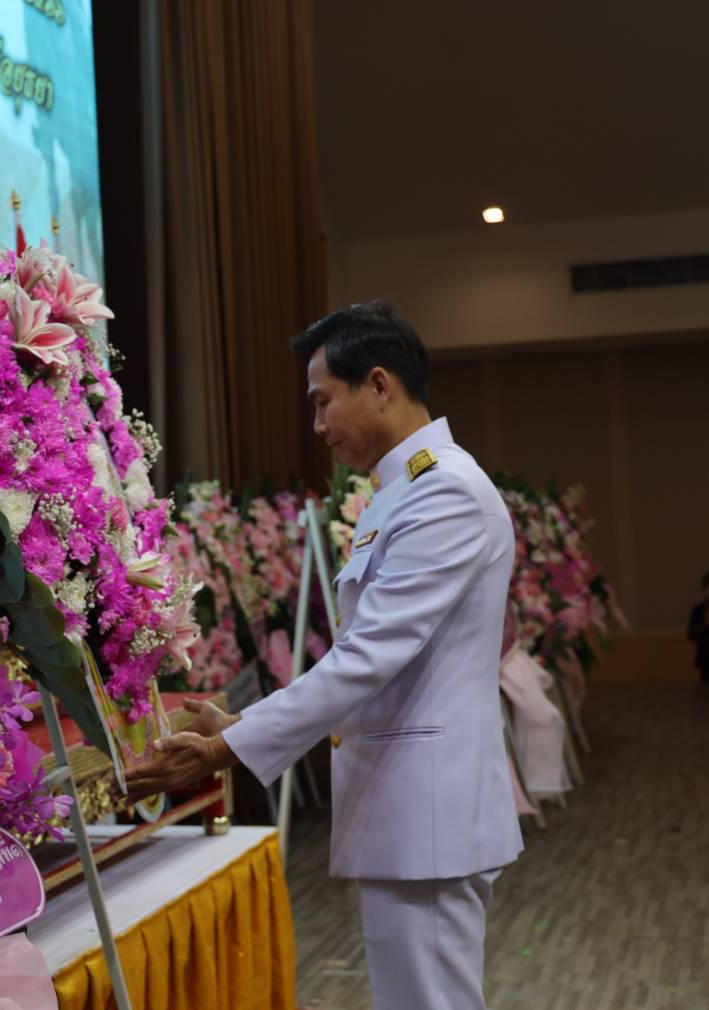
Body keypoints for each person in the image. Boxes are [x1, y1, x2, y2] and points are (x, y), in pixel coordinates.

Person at [124, 301, 521, 1010]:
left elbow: (369, 658)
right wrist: (240, 721)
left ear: (377, 384)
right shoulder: (405, 492)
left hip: (426, 808)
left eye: (321, 402)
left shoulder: (445, 494)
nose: (317, 427)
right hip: (411, 805)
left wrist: (229, 749)